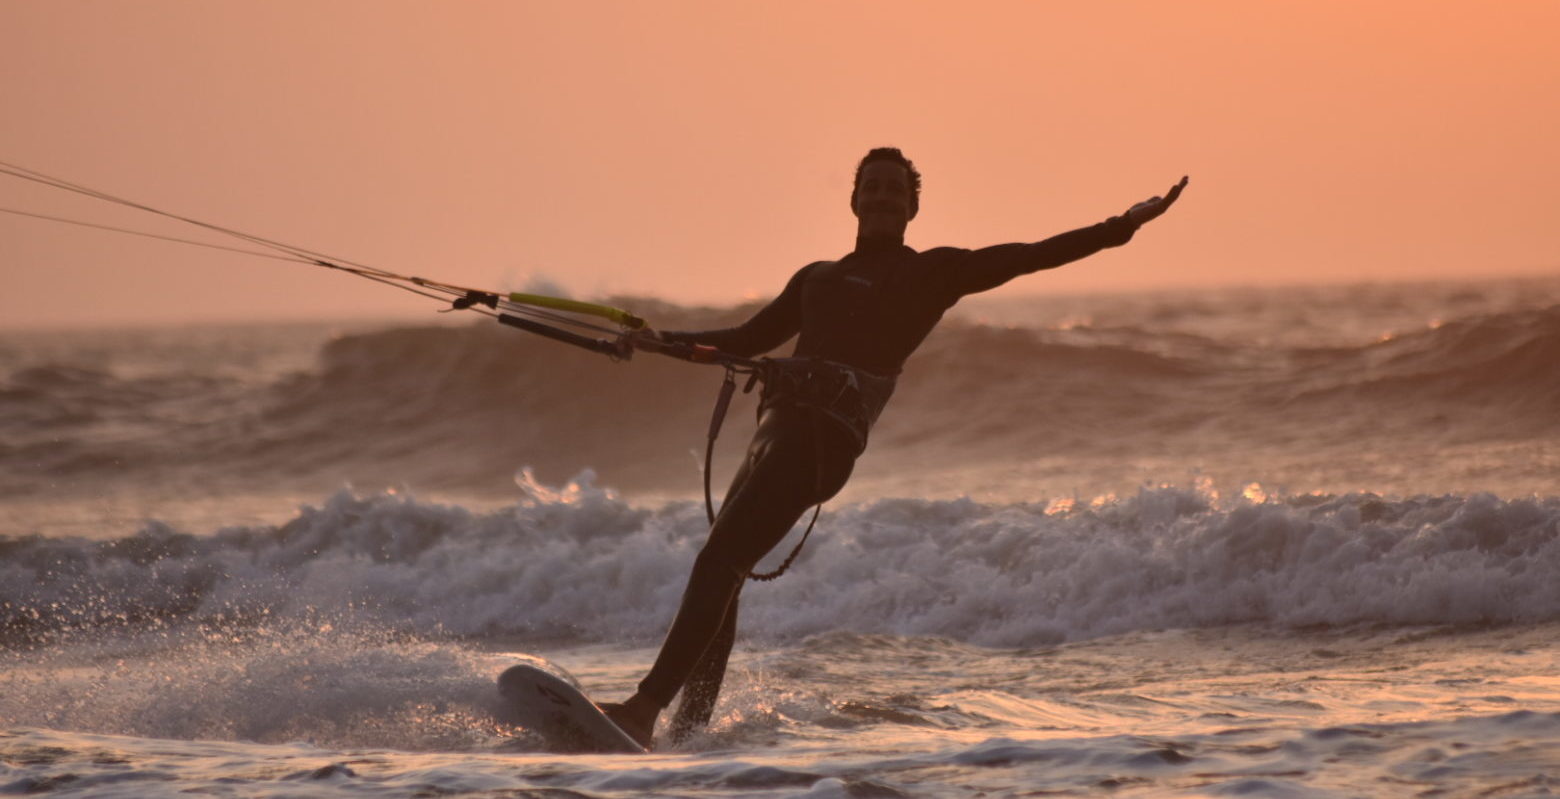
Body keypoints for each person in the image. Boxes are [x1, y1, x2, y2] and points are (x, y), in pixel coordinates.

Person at [602, 148, 1188, 748]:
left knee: (719, 563)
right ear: (853, 200)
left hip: (820, 441)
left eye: (894, 190)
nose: (882, 198)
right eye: (872, 188)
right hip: (772, 430)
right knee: (723, 572)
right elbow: (747, 339)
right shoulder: (816, 277)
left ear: (912, 207)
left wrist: (1120, 227)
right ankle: (688, 733)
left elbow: (1031, 256)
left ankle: (643, 709)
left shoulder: (932, 274)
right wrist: (657, 340)